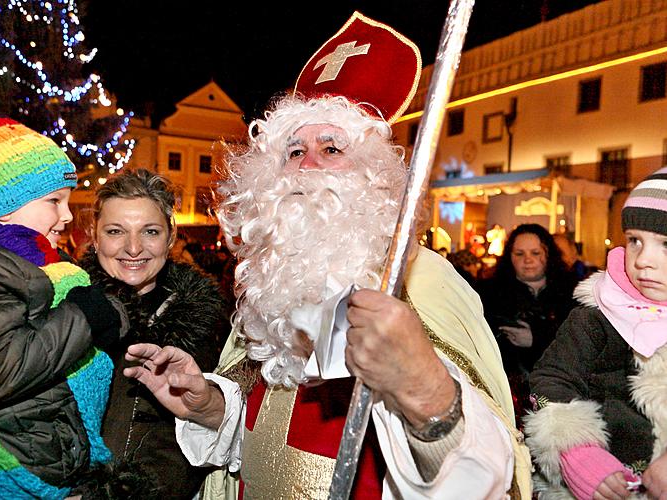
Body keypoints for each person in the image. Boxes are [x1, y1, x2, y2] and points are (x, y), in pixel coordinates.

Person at [121, 12, 531, 499]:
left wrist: (424, 388)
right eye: (293, 151)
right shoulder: (269, 283)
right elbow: (268, 429)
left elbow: (481, 471)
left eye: (331, 148)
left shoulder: (422, 280)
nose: (307, 165)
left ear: (374, 175)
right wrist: (211, 405)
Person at [0, 96, 126, 497]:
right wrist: (82, 317)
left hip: (39, 449)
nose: (66, 216)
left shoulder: (26, 258)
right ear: (4, 205)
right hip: (9, 464)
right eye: (53, 202)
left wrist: (100, 312)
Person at [77, 169, 228, 498]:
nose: (133, 248)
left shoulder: (206, 320)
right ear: (94, 233)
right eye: (116, 231)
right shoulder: (65, 307)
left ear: (170, 236)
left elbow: (206, 440)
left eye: (150, 231)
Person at [524, 167, 667, 499]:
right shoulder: (596, 317)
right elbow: (549, 383)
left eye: (666, 244)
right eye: (634, 240)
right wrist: (580, 458)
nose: (644, 259)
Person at [477, 223, 577, 418]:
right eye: (519, 254)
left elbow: (577, 343)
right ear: (509, 257)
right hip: (506, 399)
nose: (528, 260)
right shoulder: (489, 295)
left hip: (559, 396)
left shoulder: (571, 293)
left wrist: (537, 338)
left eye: (536, 253)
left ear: (548, 255)